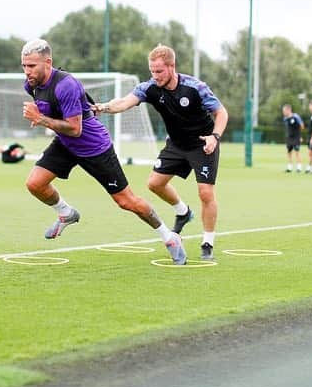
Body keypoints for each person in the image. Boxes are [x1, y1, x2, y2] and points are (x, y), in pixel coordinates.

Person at [20, 39, 187, 265]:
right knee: (35, 184)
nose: (27, 71)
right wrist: (44, 116)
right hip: (66, 143)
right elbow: (61, 111)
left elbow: (76, 128)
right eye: (24, 66)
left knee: (127, 201)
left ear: (48, 62)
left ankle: (169, 237)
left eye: (32, 66)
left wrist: (40, 119)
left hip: (93, 145)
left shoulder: (66, 84)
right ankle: (66, 213)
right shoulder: (31, 85)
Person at [93, 44, 228, 261]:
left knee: (205, 192)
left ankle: (207, 242)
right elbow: (124, 103)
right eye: (152, 71)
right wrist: (103, 107)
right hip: (176, 144)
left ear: (171, 67)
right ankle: (183, 212)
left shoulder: (195, 87)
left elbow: (221, 112)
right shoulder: (149, 88)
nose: (154, 76)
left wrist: (215, 136)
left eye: (159, 71)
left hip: (203, 143)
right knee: (154, 184)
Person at [282, 104, 304, 173]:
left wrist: (299, 136)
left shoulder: (295, 116)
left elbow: (302, 126)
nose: (283, 112)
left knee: (297, 152)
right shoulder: (285, 118)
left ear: (289, 110)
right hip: (289, 137)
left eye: (284, 111)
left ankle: (299, 167)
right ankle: (289, 167)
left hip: (296, 137)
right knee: (289, 152)